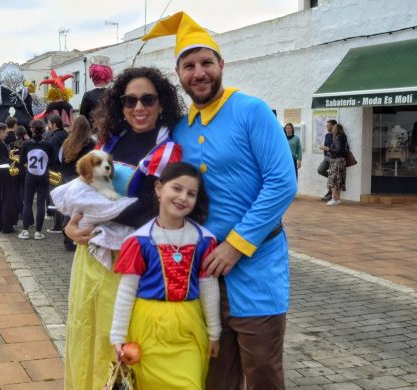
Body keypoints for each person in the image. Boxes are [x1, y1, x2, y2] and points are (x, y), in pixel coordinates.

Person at [142, 11, 297, 390]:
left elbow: (282, 183)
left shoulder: (251, 111)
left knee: (262, 373)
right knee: (214, 375)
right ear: (178, 75)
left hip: (257, 269)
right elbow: (157, 183)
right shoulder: (181, 128)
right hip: (203, 273)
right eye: (189, 65)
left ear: (221, 65)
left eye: (206, 62)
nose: (199, 73)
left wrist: (236, 246)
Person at [63, 66, 183, 390]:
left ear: (162, 104)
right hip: (91, 258)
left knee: (125, 344)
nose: (139, 107)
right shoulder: (110, 141)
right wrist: (71, 226)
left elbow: (151, 207)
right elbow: (83, 192)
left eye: (148, 99)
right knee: (87, 334)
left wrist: (96, 215)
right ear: (120, 105)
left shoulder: (169, 148)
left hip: (134, 262)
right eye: (130, 101)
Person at [111, 162, 221, 389]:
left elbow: (209, 287)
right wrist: (118, 335)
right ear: (159, 189)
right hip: (147, 327)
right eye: (177, 188)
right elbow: (126, 289)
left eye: (191, 193)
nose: (183, 197)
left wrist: (214, 332)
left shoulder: (204, 240)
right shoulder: (138, 241)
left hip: (189, 327)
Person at [60, 115, 96, 251]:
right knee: (82, 211)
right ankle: (81, 236)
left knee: (68, 210)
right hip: (84, 181)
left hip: (68, 180)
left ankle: (67, 239)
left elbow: (63, 162)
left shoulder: (67, 142)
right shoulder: (91, 144)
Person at [18, 120, 55, 240]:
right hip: (43, 175)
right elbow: (52, 161)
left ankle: (25, 231)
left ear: (32, 130)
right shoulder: (48, 144)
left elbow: (22, 160)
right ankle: (38, 232)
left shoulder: (26, 144)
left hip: (30, 175)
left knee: (27, 202)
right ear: (43, 130)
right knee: (40, 204)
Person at [0, 123, 19, 233]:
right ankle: (7, 227)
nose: (6, 135)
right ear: (0, 131)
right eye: (5, 132)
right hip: (3, 176)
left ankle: (0, 226)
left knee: (1, 203)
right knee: (7, 202)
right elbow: (2, 162)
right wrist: (13, 159)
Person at [80, 63, 113, 129]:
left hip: (92, 129)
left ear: (93, 77)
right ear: (107, 77)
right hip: (110, 129)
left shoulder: (88, 95)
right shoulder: (112, 93)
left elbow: (82, 117)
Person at [321, 123, 347, 206]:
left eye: (334, 128)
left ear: (336, 129)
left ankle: (333, 199)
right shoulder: (343, 137)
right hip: (342, 160)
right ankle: (338, 199)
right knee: (339, 180)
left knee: (333, 180)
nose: (332, 129)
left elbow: (338, 150)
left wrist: (328, 149)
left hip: (337, 161)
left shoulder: (338, 138)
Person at [318, 119, 336, 201]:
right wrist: (325, 155)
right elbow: (325, 146)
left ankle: (330, 194)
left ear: (333, 125)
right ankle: (332, 178)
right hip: (327, 158)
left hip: (334, 158)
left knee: (332, 177)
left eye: (328, 125)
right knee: (320, 170)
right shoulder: (327, 135)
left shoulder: (337, 135)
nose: (326, 126)